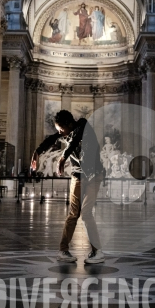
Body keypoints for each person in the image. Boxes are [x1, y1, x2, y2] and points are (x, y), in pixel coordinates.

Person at [31, 110, 104, 264]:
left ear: (70, 124)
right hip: (78, 176)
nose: (60, 133)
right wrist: (37, 152)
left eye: (61, 129)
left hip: (93, 176)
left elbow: (76, 139)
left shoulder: (83, 125)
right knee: (73, 214)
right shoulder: (66, 133)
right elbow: (51, 139)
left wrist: (63, 158)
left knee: (86, 213)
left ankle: (97, 251)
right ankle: (63, 250)